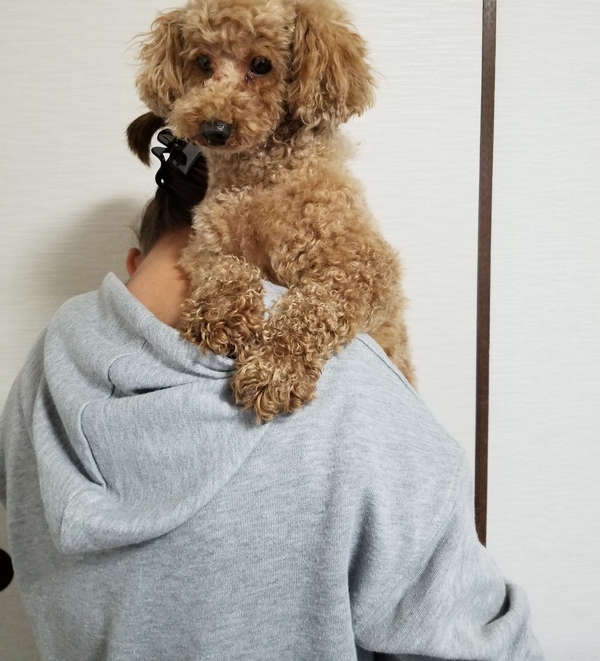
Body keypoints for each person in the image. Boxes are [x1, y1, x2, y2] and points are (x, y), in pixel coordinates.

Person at [0, 132, 545, 661]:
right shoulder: (344, 383)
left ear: (133, 261)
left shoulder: (45, 368)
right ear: (284, 250)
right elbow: (472, 642)